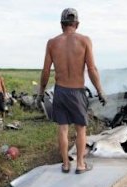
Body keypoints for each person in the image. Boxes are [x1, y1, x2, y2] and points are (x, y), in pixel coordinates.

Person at [38, 8, 106, 174]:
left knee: (63, 128)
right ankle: (81, 164)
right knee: (81, 129)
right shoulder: (84, 41)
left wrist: (41, 92)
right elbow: (91, 69)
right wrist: (100, 91)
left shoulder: (52, 43)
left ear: (62, 25)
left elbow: (46, 71)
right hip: (77, 92)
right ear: (77, 24)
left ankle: (66, 164)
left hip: (60, 91)